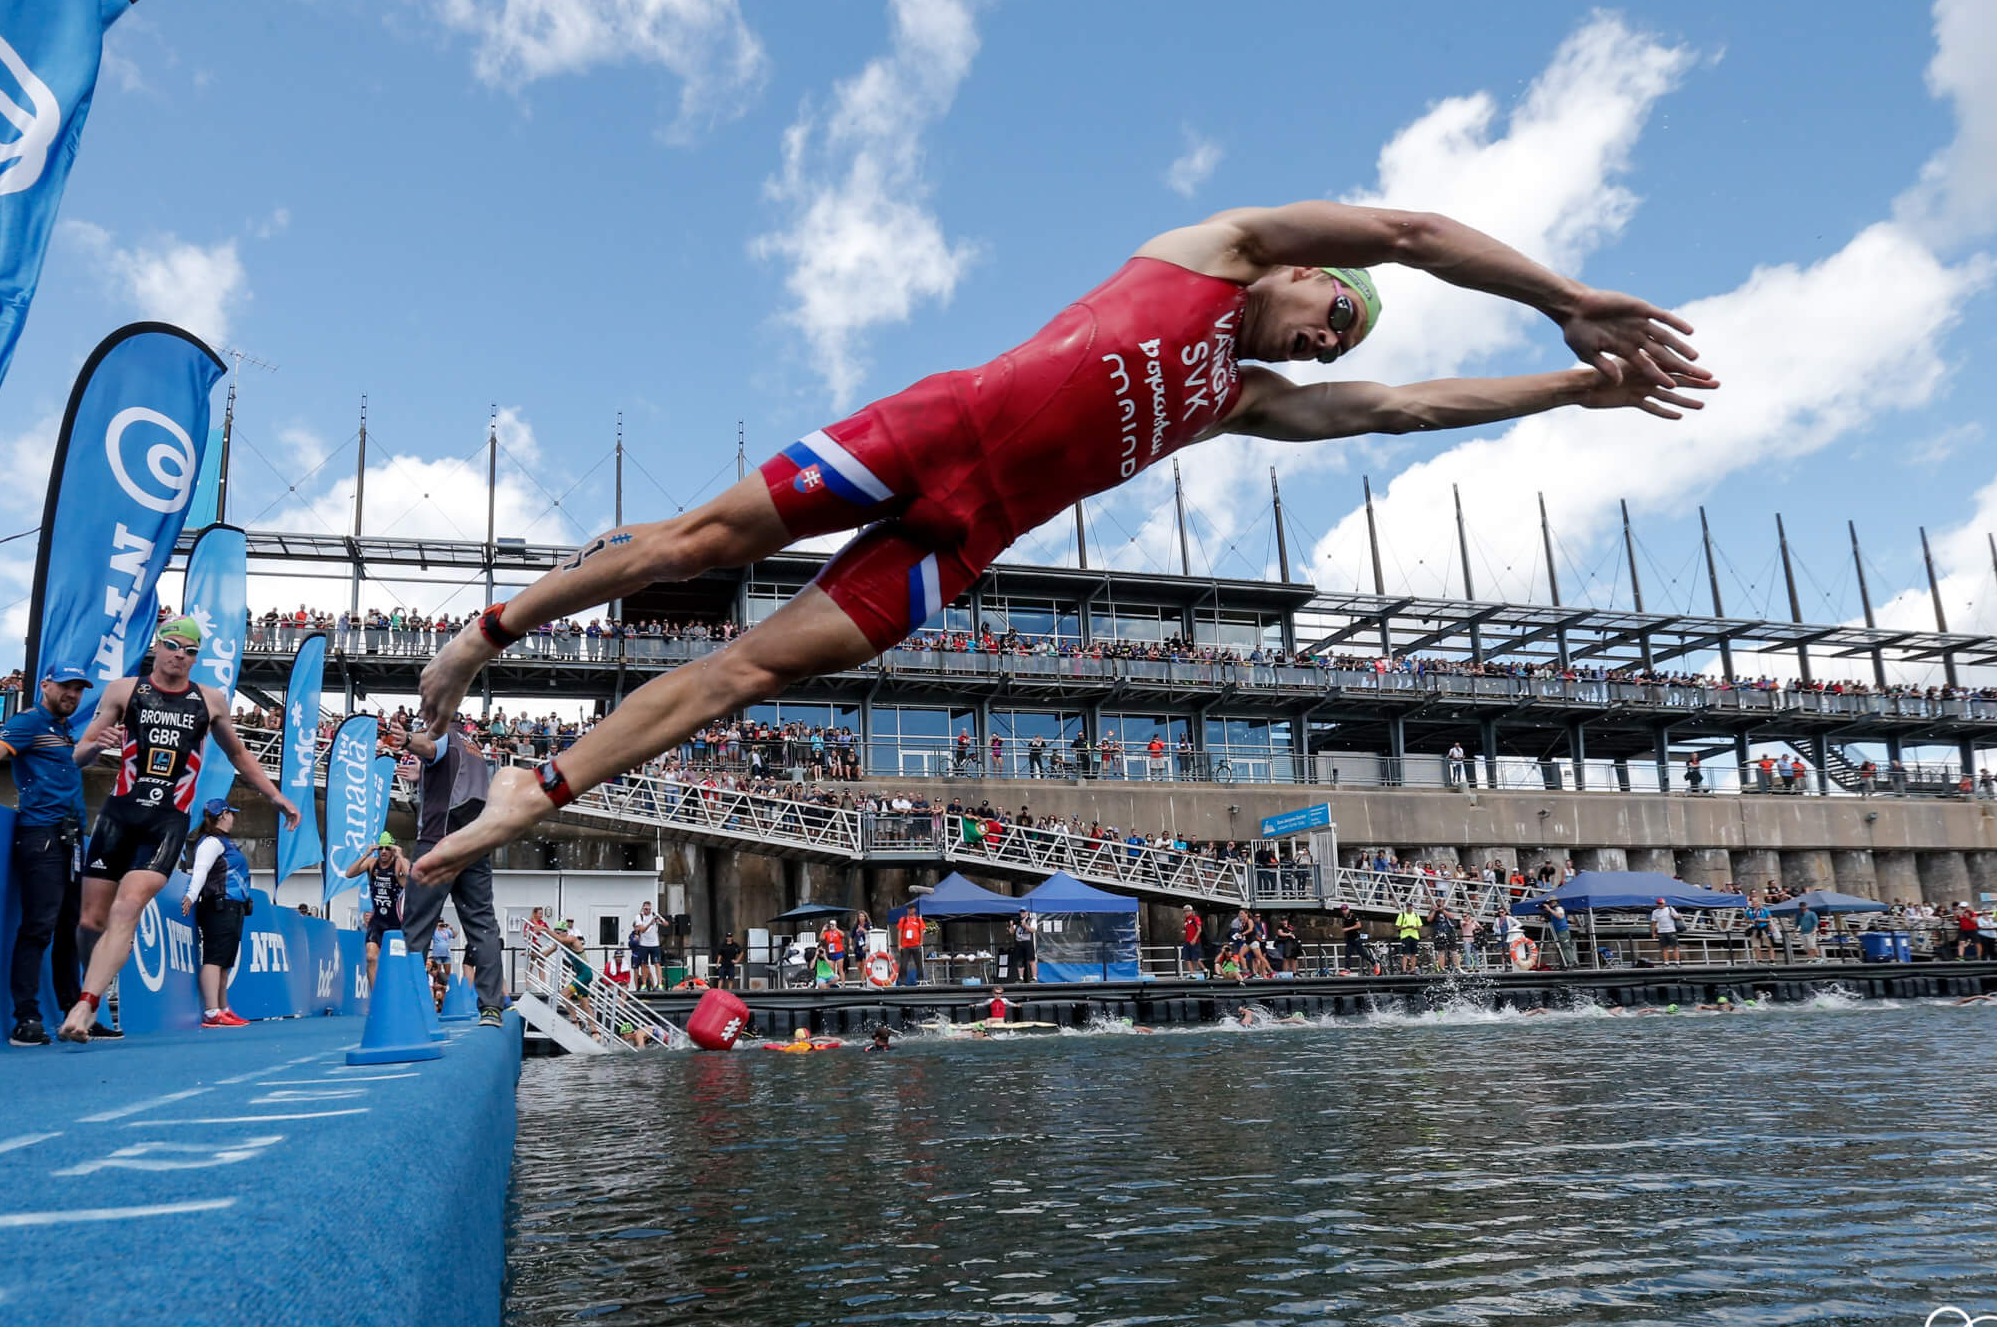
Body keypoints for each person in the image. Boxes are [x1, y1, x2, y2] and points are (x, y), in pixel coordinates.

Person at [410, 200, 1712, 880]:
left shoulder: (1239, 401)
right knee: (691, 542)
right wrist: (1566, 299)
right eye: (1335, 312)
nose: (1330, 338)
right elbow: (1415, 239)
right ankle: (483, 639)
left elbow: (1409, 410)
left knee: (743, 670)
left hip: (959, 540)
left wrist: (1572, 389)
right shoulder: (1218, 250)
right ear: (1301, 271)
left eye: (1340, 342)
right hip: (924, 433)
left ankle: (538, 790)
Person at [64, 617, 298, 1042]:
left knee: (125, 909)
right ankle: (92, 987)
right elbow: (78, 754)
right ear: (157, 647)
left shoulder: (210, 701)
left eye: (190, 651)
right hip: (118, 817)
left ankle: (87, 1002)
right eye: (173, 646)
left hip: (167, 823)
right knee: (90, 921)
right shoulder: (123, 690)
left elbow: (240, 756)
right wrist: (96, 746)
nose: (180, 656)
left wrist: (275, 796)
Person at [0, 661, 92, 1047]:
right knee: (38, 928)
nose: (72, 694)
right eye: (66, 686)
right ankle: (26, 1018)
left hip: (72, 840)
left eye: (79, 689)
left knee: (69, 931)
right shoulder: (28, 722)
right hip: (41, 836)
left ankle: (74, 1015)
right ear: (46, 685)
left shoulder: (65, 729)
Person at [398, 720, 508, 1024]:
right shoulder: (472, 747)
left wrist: (408, 739)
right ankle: (491, 1007)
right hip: (475, 842)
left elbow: (431, 747)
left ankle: (406, 1006)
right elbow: (452, 774)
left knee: (417, 926)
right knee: (483, 925)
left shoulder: (441, 735)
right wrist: (423, 774)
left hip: (439, 841)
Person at [179, 798, 253, 1027]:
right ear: (222, 815)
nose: (233, 817)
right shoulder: (211, 842)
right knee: (214, 958)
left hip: (233, 907)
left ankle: (223, 1007)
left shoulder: (224, 842)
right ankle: (211, 1010)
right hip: (218, 906)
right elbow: (200, 871)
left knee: (225, 961)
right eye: (231, 813)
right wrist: (191, 896)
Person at [345, 834, 413, 997]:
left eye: (387, 848)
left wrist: (400, 855)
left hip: (396, 922)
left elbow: (412, 876)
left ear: (392, 850)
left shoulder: (398, 865)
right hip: (377, 921)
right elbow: (349, 873)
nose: (383, 851)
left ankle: (400, 995)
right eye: (381, 848)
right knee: (370, 957)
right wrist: (366, 854)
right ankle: (376, 998)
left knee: (397, 962)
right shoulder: (371, 864)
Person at [628, 899, 664, 991]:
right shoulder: (639, 917)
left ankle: (659, 984)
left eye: (649, 909)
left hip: (654, 944)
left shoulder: (654, 915)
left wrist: (660, 920)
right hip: (643, 945)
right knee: (644, 964)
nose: (647, 911)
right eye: (646, 909)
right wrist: (651, 923)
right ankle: (643, 985)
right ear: (643, 909)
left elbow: (666, 924)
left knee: (657, 963)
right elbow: (642, 930)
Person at [895, 900, 926, 986]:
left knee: (919, 964)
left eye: (911, 909)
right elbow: (900, 932)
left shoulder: (918, 920)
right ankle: (902, 981)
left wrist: (921, 942)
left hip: (916, 945)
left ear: (914, 910)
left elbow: (922, 931)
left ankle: (920, 980)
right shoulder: (903, 919)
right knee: (903, 964)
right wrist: (899, 944)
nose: (910, 910)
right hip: (905, 946)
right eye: (908, 909)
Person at [429, 919, 459, 1006]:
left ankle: (446, 989)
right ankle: (437, 990)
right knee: (438, 973)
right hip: (438, 954)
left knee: (447, 973)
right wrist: (436, 926)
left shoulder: (446, 931)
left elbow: (454, 935)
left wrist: (450, 928)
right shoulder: (435, 931)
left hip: (446, 954)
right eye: (440, 924)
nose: (442, 925)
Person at [1649, 897, 1683, 965]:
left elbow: (1679, 917)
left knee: (1675, 947)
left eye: (1661, 903)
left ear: (1664, 903)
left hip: (1671, 930)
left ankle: (1677, 961)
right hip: (1661, 932)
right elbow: (1653, 923)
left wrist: (1673, 916)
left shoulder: (1670, 909)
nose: (1659, 905)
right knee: (1664, 947)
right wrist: (1653, 933)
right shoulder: (1655, 912)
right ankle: (1666, 962)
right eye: (1658, 903)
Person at [1007, 909, 1037, 982]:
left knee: (1031, 960)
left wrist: (1025, 925)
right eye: (1021, 912)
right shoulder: (1016, 921)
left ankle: (1034, 977)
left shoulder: (1031, 920)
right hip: (1019, 942)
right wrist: (1011, 925)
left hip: (1027, 942)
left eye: (1024, 912)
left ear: (1027, 912)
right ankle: (1021, 978)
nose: (1022, 913)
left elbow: (1033, 930)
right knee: (1019, 961)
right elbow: (1011, 932)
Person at [1180, 903, 1206, 978]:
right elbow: (1186, 930)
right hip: (1187, 941)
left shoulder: (1195, 918)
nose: (1186, 913)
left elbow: (1199, 929)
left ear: (1191, 911)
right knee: (1186, 957)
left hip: (1195, 941)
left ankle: (1205, 969)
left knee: (1195, 958)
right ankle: (1192, 973)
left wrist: (1194, 939)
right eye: (1184, 911)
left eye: (1187, 911)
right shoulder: (1186, 921)